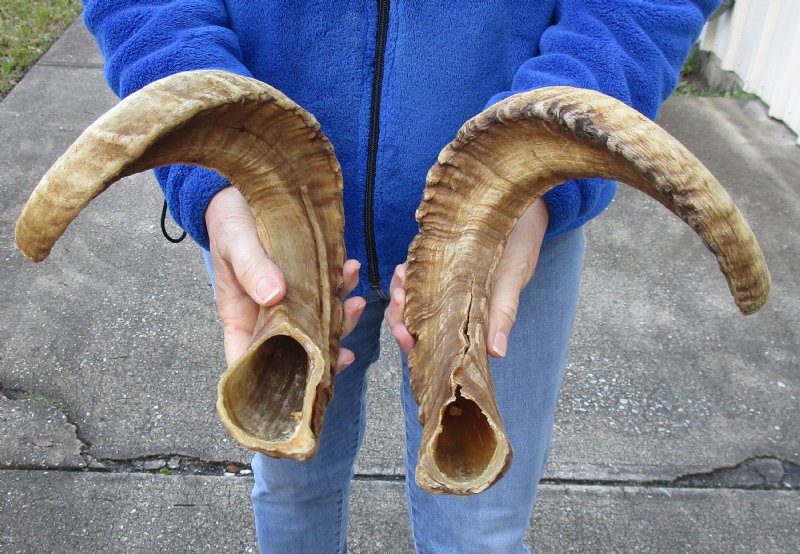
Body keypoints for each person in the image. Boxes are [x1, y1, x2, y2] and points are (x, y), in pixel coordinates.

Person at [82, 1, 720, 552]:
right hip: (273, 211)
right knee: (287, 476)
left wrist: (538, 173)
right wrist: (216, 176)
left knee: (480, 526)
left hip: (505, 217)